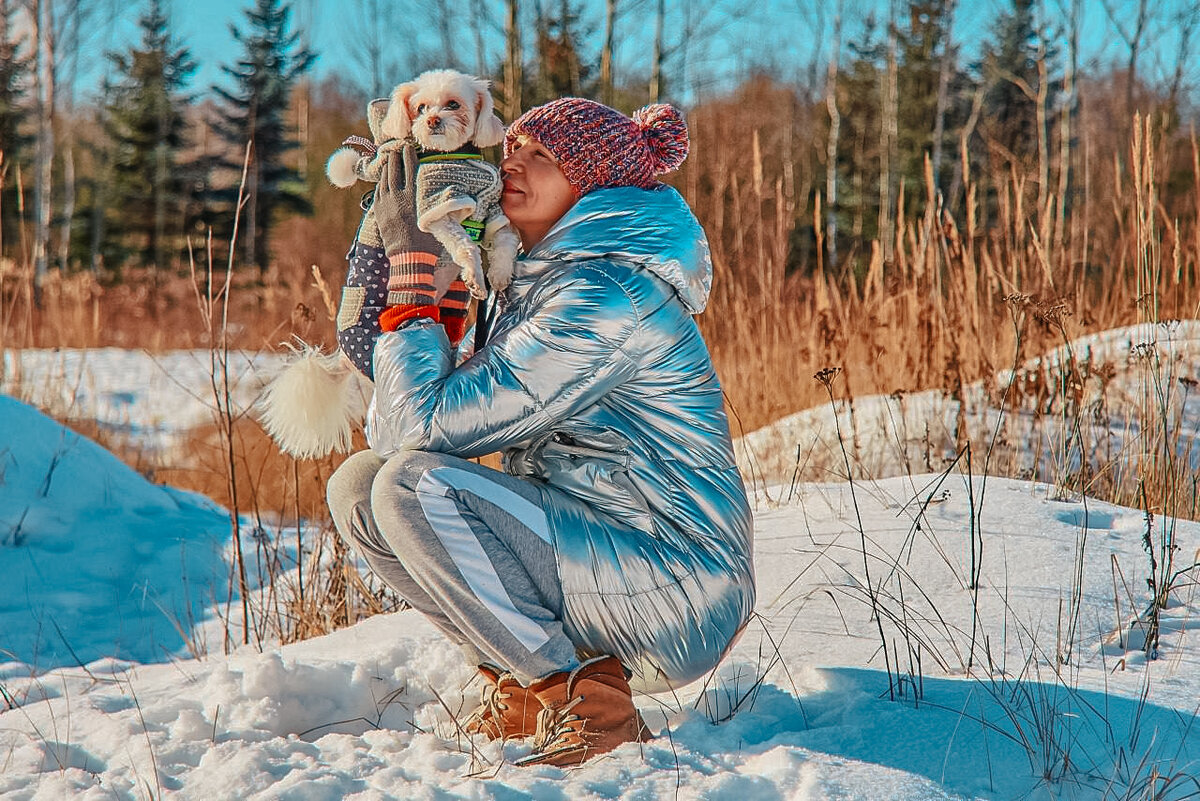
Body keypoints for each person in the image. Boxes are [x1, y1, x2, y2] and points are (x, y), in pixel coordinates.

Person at [326, 98, 755, 768]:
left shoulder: (607, 296)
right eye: (513, 146)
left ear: (593, 186)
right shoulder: (530, 285)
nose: (511, 162)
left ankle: (582, 703)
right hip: (595, 554)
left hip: (677, 582)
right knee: (360, 487)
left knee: (411, 488)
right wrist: (436, 288)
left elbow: (421, 432)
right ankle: (524, 684)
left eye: (543, 156)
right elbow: (396, 438)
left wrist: (413, 281)